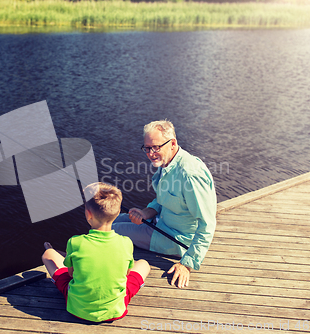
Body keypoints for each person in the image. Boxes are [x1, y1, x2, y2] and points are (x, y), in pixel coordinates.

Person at [112, 119, 216, 289]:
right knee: (112, 221)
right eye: (147, 148)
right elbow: (162, 200)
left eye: (156, 147)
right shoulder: (167, 162)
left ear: (172, 143)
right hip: (159, 222)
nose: (151, 153)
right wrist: (146, 213)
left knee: (111, 230)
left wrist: (187, 263)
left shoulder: (190, 175)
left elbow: (207, 223)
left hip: (175, 238)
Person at [41, 182, 150, 322]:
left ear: (88, 214)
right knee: (144, 264)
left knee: (48, 254)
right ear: (117, 214)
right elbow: (126, 274)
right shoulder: (126, 242)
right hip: (116, 309)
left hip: (77, 308)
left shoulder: (75, 242)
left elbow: (71, 274)